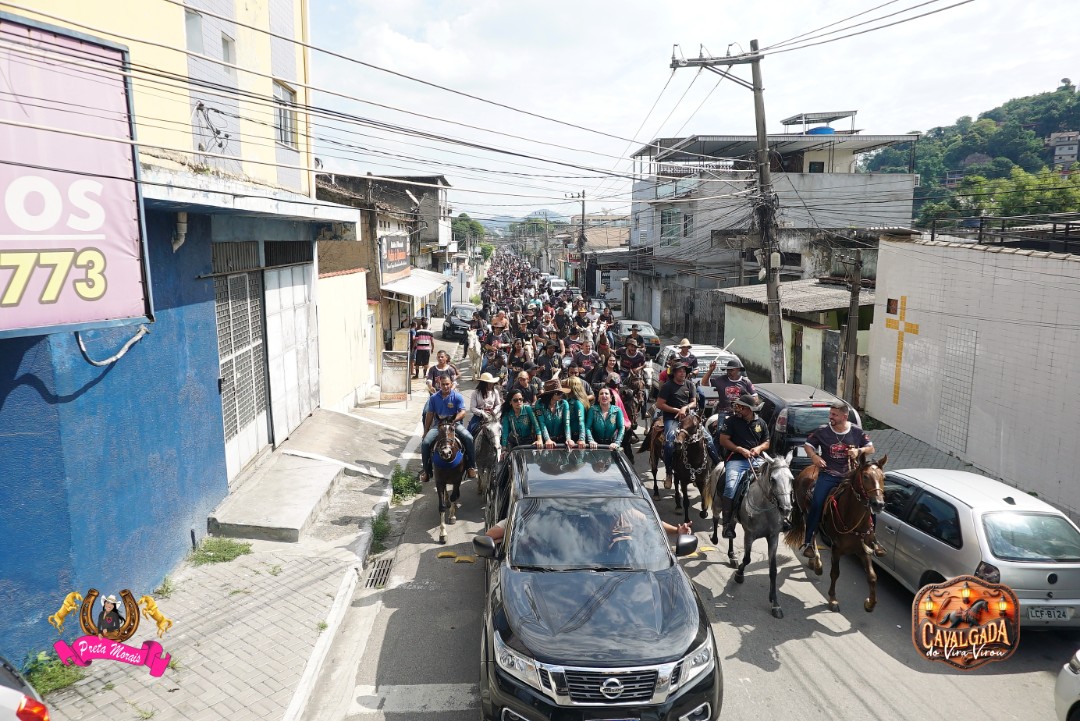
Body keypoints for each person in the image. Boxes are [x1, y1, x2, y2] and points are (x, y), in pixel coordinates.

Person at [801, 400, 877, 558]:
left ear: (844, 416)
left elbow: (871, 448)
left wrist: (859, 451)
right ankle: (808, 541)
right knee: (816, 503)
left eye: (834, 415)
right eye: (830, 414)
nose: (831, 417)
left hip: (850, 476)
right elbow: (808, 445)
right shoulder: (822, 431)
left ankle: (873, 539)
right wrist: (814, 457)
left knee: (870, 502)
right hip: (828, 475)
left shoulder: (856, 431)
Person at [715, 394, 771, 539]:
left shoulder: (761, 423)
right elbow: (723, 440)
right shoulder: (731, 421)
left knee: (774, 481)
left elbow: (767, 442)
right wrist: (740, 449)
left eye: (741, 407)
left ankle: (779, 517)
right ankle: (727, 524)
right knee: (730, 487)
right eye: (737, 406)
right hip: (736, 460)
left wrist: (758, 448)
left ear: (750, 409)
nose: (737, 409)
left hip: (757, 459)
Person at [655, 363, 720, 480]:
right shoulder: (667, 386)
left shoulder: (690, 384)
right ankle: (669, 472)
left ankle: (718, 466)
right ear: (674, 373)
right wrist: (677, 410)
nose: (683, 373)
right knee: (669, 443)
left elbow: (694, 402)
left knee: (709, 439)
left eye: (684, 371)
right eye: (680, 371)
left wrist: (685, 408)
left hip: (689, 417)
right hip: (672, 418)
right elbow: (660, 404)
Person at [420, 375, 478, 483]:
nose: (445, 386)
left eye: (447, 384)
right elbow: (430, 414)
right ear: (439, 385)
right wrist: (426, 430)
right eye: (443, 384)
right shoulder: (433, 398)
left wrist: (453, 420)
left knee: (469, 438)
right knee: (425, 443)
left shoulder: (457, 396)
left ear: (451, 384)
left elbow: (463, 412)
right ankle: (426, 471)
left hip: (454, 425)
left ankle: (471, 467)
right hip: (438, 426)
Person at [534, 379, 574, 448]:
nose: (561, 395)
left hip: (561, 440)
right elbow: (541, 423)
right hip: (545, 441)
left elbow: (567, 423)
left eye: (561, 393)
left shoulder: (564, 404)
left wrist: (568, 439)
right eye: (558, 393)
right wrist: (547, 439)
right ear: (550, 394)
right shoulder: (539, 404)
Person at [585, 386, 625, 450]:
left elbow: (621, 427)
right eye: (601, 394)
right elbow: (587, 427)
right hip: (596, 445)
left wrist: (617, 443)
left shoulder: (617, 410)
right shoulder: (592, 410)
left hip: (612, 445)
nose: (604, 395)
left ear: (611, 398)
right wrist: (591, 440)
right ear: (598, 398)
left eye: (606, 393)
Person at [566, 376, 590, 447]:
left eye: (567, 386)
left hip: (576, 437)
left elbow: (581, 421)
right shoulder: (569, 401)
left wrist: (581, 439)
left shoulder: (578, 403)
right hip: (570, 436)